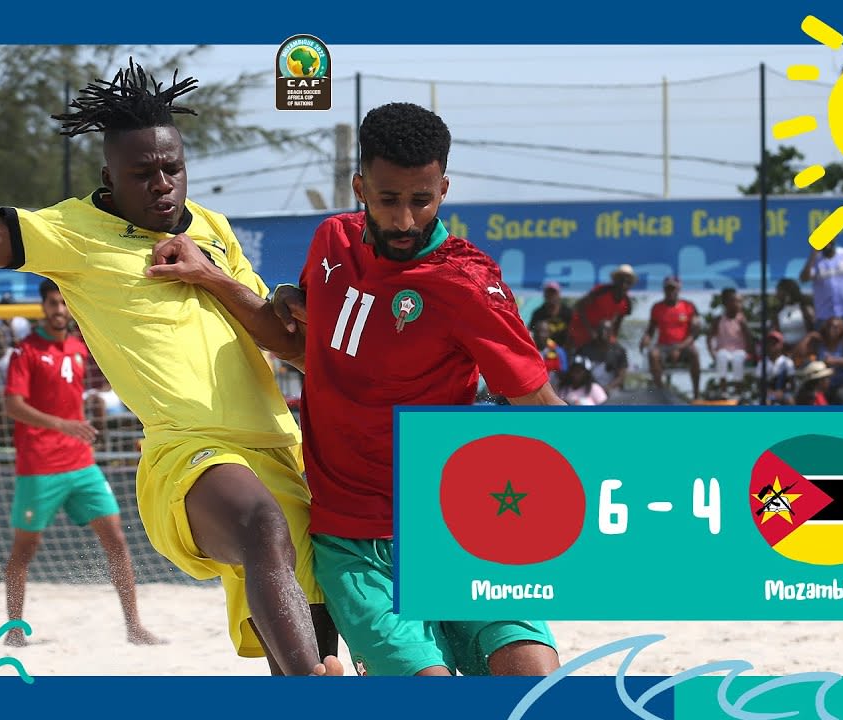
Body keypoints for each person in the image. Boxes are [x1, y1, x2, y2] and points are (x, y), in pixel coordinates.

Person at [0, 59, 339, 676]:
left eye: (173, 168)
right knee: (261, 528)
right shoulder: (70, 233)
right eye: (142, 173)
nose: (163, 185)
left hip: (280, 448)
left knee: (309, 644)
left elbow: (280, 341)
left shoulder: (212, 228)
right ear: (109, 175)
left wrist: (220, 278)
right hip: (190, 453)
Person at [209, 102, 563, 676]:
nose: (404, 220)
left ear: (443, 189)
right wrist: (228, 283)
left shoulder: (469, 284)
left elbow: (542, 409)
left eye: (420, 200)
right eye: (388, 199)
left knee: (531, 675)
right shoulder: (330, 243)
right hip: (352, 537)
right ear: (360, 187)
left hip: (458, 524)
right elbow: (310, 347)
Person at [3, 278, 163, 647]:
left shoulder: (78, 346)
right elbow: (12, 405)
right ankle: (14, 630)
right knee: (24, 551)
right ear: (43, 307)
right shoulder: (25, 351)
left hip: (81, 462)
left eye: (63, 303)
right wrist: (62, 424)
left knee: (117, 540)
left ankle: (134, 627)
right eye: (52, 303)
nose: (58, 310)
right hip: (39, 465)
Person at [639, 275, 700, 399]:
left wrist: (679, 347)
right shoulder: (657, 307)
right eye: (668, 289)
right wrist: (645, 339)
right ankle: (661, 393)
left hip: (683, 346)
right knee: (653, 354)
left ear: (679, 289)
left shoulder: (689, 306)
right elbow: (650, 330)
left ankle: (696, 395)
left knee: (695, 353)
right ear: (663, 290)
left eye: (673, 288)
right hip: (663, 346)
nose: (670, 291)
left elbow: (695, 333)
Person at [567, 264, 635, 350]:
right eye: (621, 280)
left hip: (600, 336)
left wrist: (612, 339)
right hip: (580, 328)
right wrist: (590, 330)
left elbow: (618, 323)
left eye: (627, 282)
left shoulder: (627, 302)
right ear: (615, 280)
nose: (624, 285)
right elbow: (579, 306)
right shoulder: (601, 291)